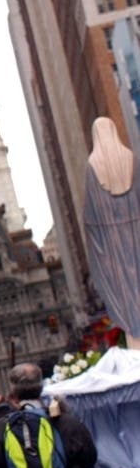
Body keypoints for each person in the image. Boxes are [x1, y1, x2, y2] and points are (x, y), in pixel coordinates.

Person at [84, 116, 140, 349]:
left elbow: (90, 214)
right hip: (137, 233)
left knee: (127, 293)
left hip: (113, 245)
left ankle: (136, 344)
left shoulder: (92, 165)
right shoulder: (131, 159)